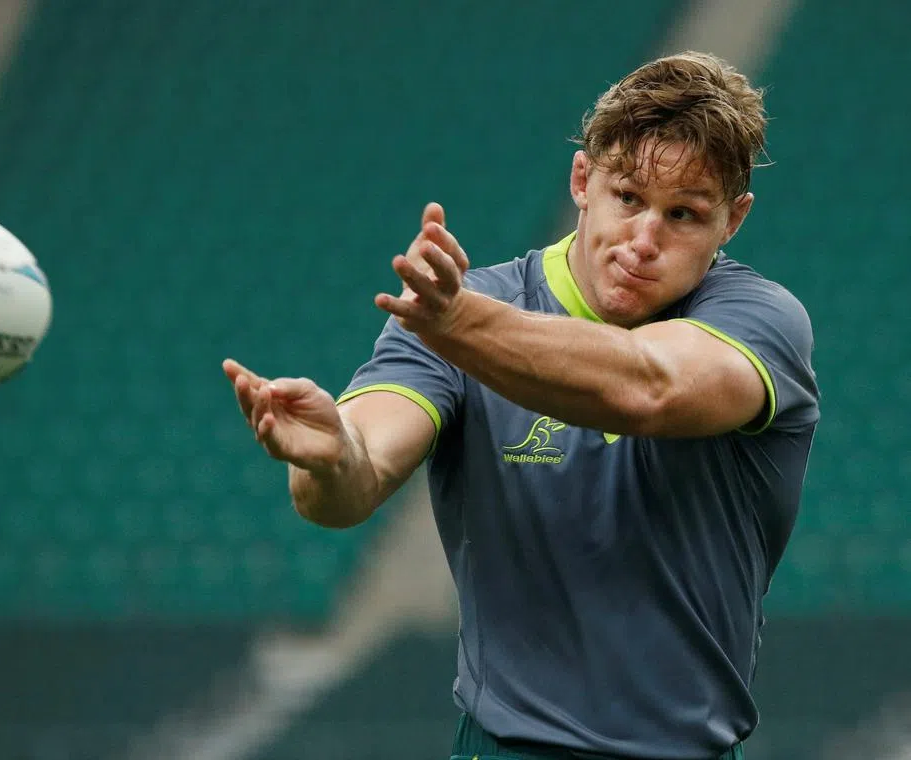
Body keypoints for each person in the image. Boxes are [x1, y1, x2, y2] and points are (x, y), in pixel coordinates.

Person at [223, 51, 819, 760]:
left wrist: (459, 325)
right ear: (582, 182)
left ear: (733, 221)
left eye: (684, 214)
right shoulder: (456, 311)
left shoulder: (761, 321)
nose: (643, 241)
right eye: (627, 197)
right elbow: (351, 482)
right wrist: (331, 459)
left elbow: (649, 387)